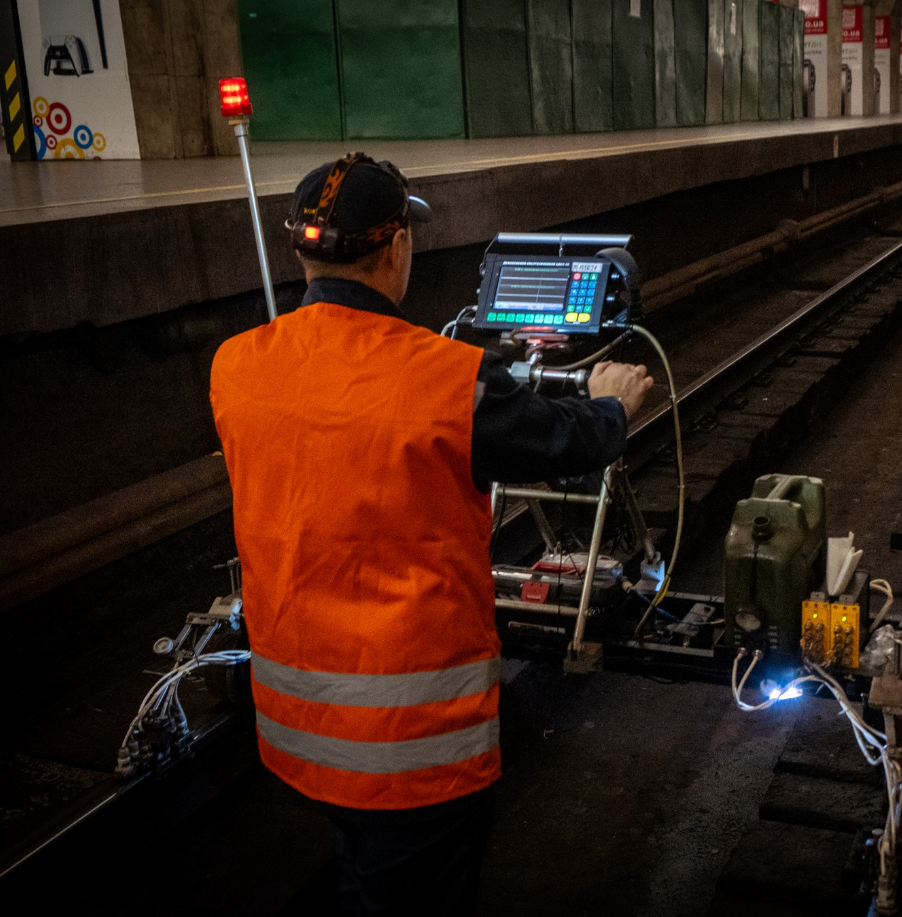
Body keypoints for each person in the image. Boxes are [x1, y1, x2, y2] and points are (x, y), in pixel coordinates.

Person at [209, 153, 654, 916]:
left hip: (298, 728)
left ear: (301, 249)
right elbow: (558, 440)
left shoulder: (236, 366)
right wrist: (612, 407)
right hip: (411, 747)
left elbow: (341, 435)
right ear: (396, 248)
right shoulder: (447, 379)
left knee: (365, 880)